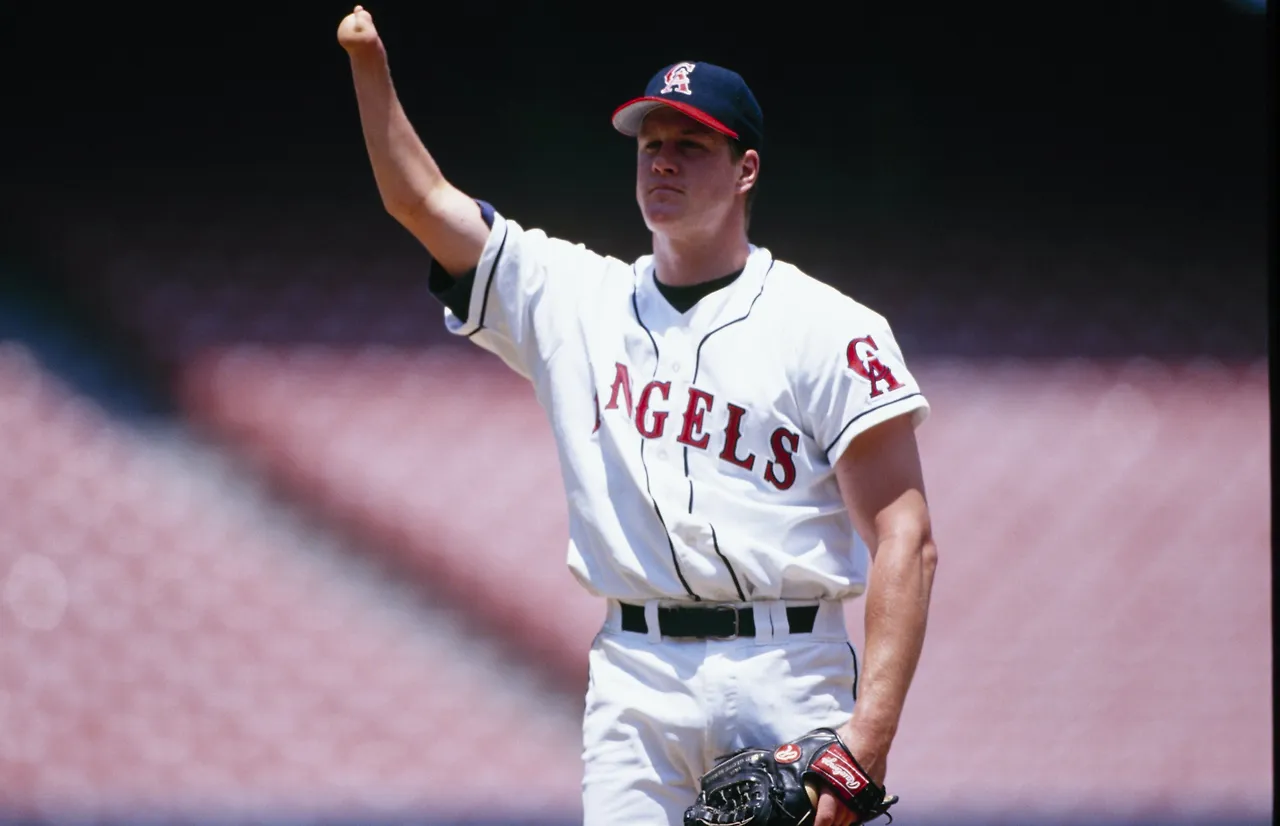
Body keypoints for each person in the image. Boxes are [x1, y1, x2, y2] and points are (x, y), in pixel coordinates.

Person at [337, 7, 939, 826]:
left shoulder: (828, 328)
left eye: (690, 144)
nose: (662, 160)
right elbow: (420, 201)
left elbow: (905, 536)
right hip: (635, 673)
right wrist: (368, 65)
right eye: (650, 143)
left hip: (787, 666)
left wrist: (867, 740)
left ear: (746, 169)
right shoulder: (573, 298)